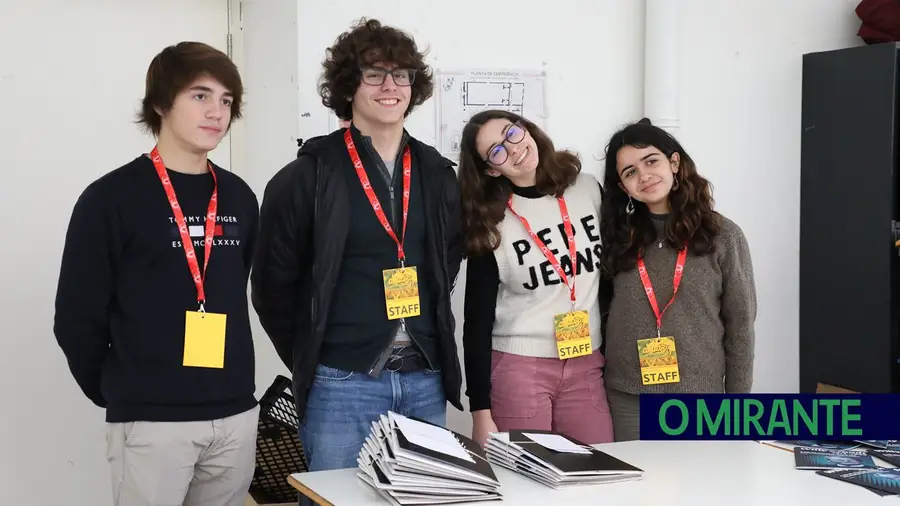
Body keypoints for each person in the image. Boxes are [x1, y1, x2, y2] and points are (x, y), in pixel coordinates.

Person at [251, 18, 464, 472]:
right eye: (374, 73)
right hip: (341, 382)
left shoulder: (438, 174)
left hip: (425, 377)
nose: (391, 86)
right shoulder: (307, 175)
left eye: (401, 74)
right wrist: (318, 356)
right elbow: (272, 287)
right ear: (349, 85)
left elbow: (446, 263)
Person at [52, 42, 260, 506]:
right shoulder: (110, 198)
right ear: (161, 103)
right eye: (200, 96)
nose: (217, 112)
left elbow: (234, 285)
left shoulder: (239, 196)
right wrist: (123, 394)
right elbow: (76, 317)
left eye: (227, 101)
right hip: (152, 421)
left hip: (234, 414)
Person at [457, 109, 614, 447]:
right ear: (490, 168)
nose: (512, 149)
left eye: (511, 134)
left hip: (586, 363)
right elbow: (477, 322)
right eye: (496, 151)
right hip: (520, 369)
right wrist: (479, 410)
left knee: (598, 475)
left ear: (526, 129)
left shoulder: (587, 189)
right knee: (525, 484)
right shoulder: (492, 222)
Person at [599, 118, 757, 441]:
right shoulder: (616, 237)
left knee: (700, 489)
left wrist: (738, 409)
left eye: (651, 161)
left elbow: (740, 327)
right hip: (627, 398)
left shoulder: (724, 235)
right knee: (634, 490)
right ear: (622, 187)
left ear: (674, 162)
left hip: (699, 400)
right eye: (630, 172)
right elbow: (601, 310)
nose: (643, 176)